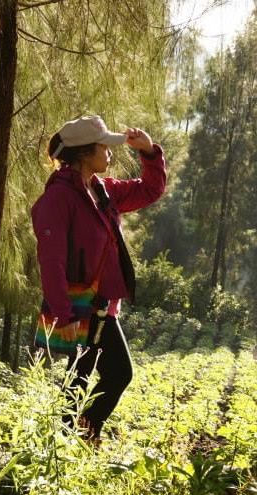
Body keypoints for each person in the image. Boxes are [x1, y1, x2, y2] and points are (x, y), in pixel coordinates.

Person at [31, 115, 166, 444]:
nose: (110, 152)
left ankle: (72, 443)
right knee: (116, 373)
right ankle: (77, 439)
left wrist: (149, 153)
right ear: (83, 152)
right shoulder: (57, 199)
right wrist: (63, 314)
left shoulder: (103, 190)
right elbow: (51, 260)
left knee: (81, 378)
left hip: (103, 306)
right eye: (104, 146)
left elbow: (149, 190)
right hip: (79, 308)